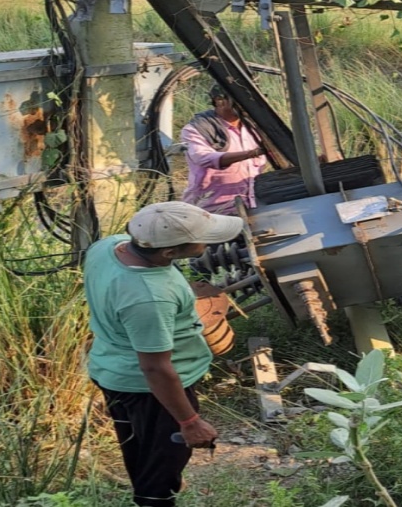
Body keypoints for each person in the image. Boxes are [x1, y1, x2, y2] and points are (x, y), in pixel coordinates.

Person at [84, 201, 244, 505]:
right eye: (203, 237)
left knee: (142, 452)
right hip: (149, 389)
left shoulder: (106, 247)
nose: (207, 241)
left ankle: (145, 495)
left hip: (113, 369)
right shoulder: (148, 297)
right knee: (163, 464)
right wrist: (189, 422)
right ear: (169, 252)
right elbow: (156, 368)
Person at [181, 85, 267, 215]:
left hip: (253, 206)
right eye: (240, 100)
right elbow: (204, 158)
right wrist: (254, 153)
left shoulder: (254, 127)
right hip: (212, 212)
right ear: (219, 101)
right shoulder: (196, 129)